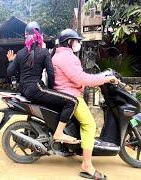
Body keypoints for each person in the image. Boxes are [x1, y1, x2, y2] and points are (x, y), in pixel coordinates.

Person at [51, 29, 119, 179]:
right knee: (90, 125)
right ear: (69, 42)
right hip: (71, 95)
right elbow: (81, 79)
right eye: (76, 41)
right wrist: (105, 79)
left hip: (67, 92)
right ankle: (87, 164)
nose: (78, 44)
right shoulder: (66, 57)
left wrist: (102, 76)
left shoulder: (61, 55)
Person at [7, 21, 79, 143]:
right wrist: (52, 89)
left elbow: (10, 72)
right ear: (40, 36)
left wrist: (10, 60)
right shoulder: (44, 52)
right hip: (36, 89)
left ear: (26, 37)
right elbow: (51, 74)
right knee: (72, 101)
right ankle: (59, 133)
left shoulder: (20, 53)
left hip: (24, 90)